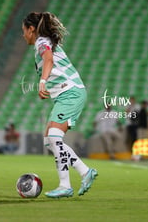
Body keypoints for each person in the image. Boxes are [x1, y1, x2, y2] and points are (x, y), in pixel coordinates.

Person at [22, 12, 97, 198]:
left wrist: (42, 82)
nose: (22, 35)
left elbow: (49, 59)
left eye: (23, 30)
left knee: (54, 138)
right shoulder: (43, 42)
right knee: (50, 140)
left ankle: (66, 185)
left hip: (70, 93)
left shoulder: (41, 42)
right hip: (66, 94)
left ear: (31, 29)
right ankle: (84, 171)